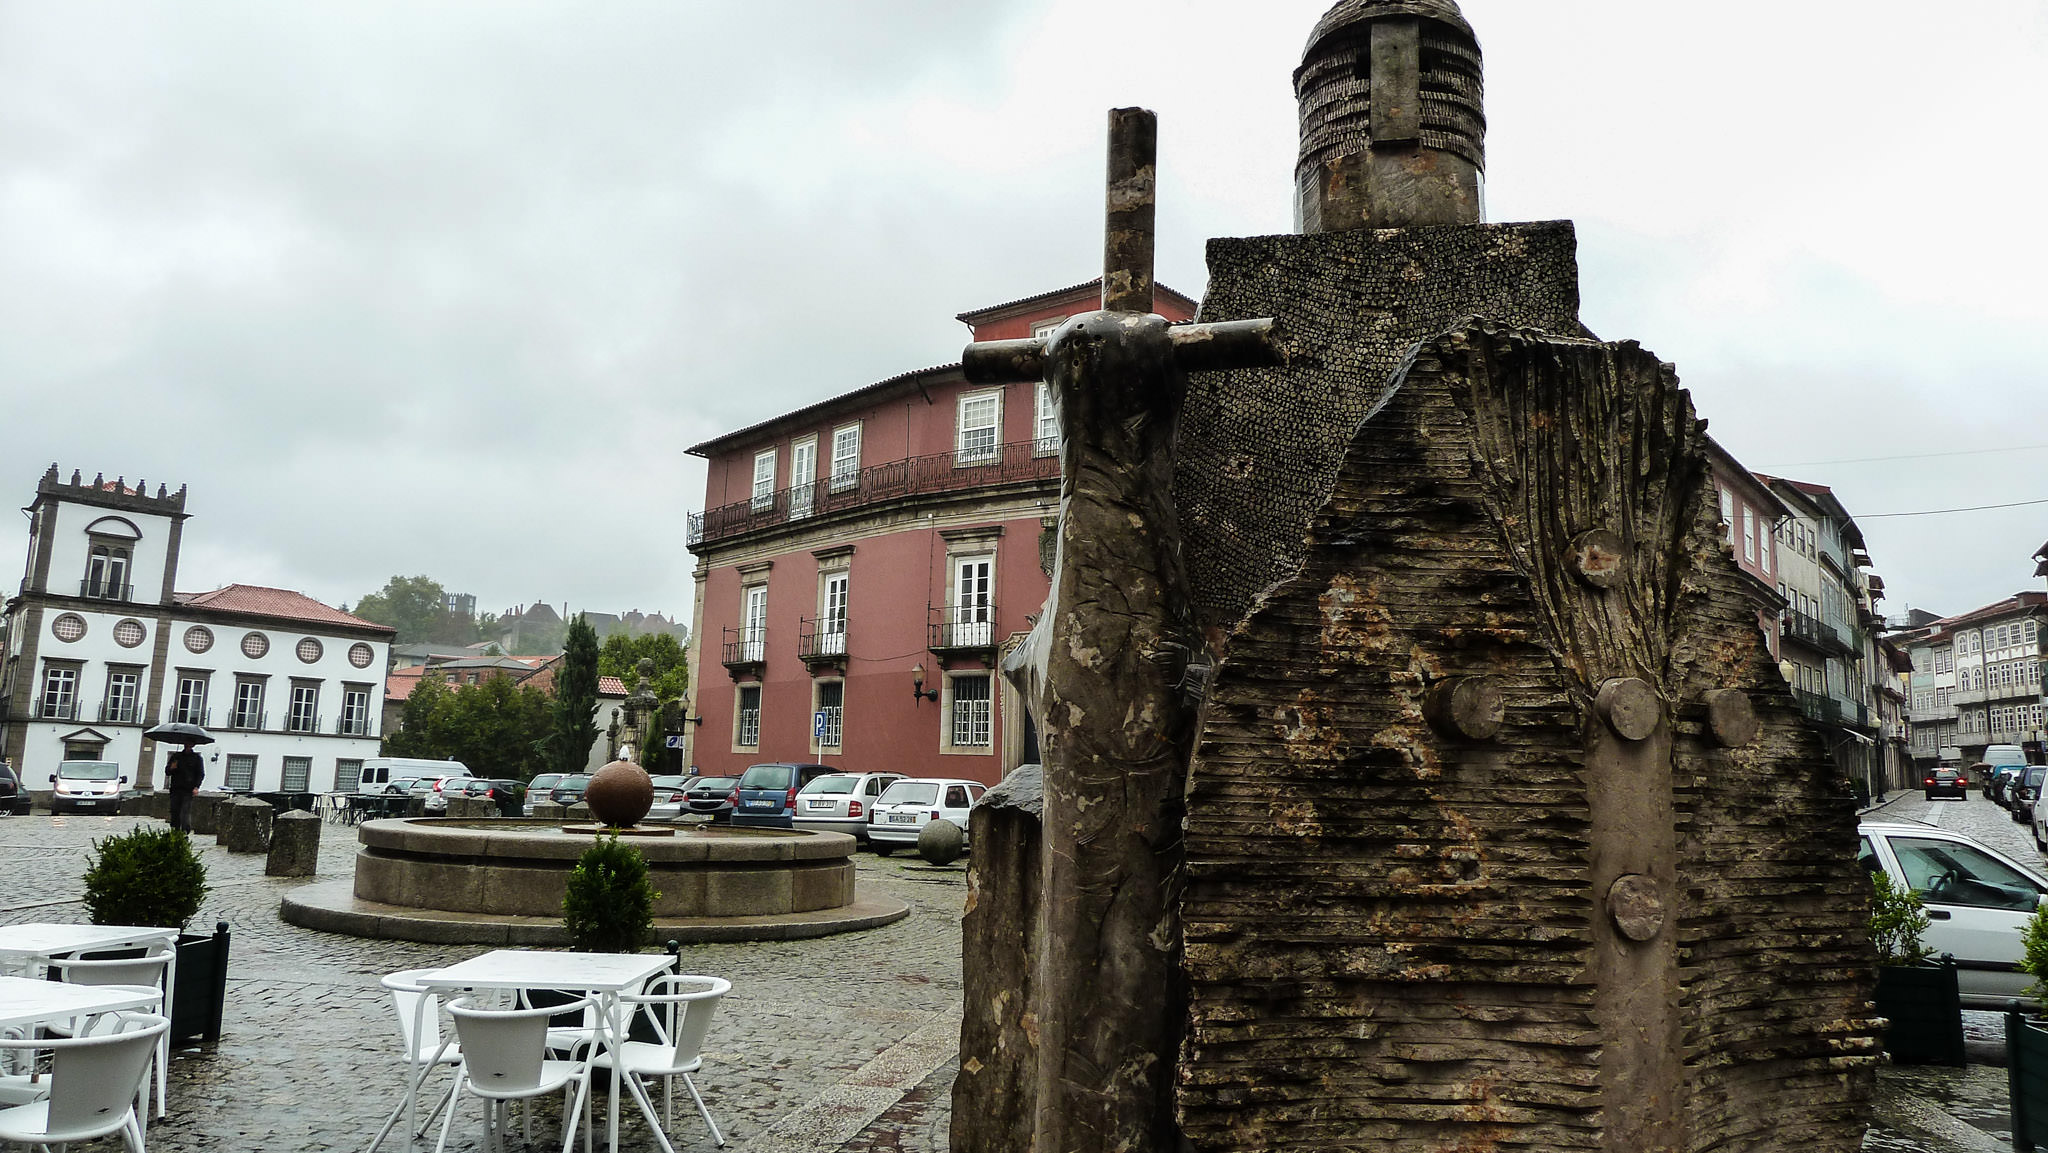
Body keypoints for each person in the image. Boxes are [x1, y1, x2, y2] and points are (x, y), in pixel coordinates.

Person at [165, 744, 205, 832]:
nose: (188, 746)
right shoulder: (176, 757)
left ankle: (185, 832)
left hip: (188, 790)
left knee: (185, 812)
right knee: (174, 811)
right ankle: (175, 830)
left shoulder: (197, 758)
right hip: (175, 788)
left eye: (190, 744)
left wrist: (196, 787)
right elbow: (167, 772)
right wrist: (172, 767)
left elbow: (200, 774)